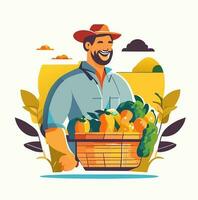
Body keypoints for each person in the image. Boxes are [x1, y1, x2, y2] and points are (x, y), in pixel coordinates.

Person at [43, 24, 134, 171]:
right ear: (87, 45)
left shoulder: (120, 83)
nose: (106, 47)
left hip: (120, 162)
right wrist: (68, 154)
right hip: (82, 165)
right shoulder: (68, 82)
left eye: (109, 43)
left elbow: (134, 120)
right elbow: (52, 127)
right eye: (101, 42)